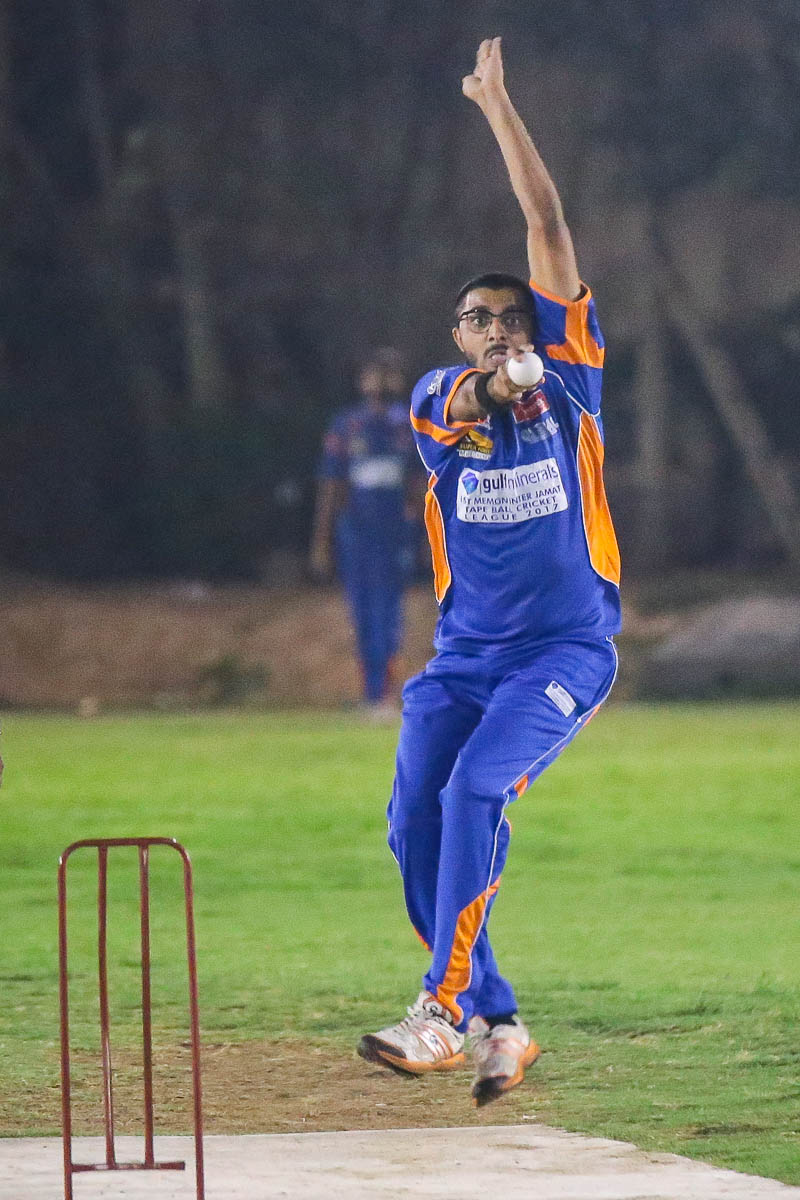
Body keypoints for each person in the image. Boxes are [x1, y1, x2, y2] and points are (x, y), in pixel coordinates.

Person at [357, 38, 621, 1107]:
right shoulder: (436, 401)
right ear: (455, 334)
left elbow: (546, 225)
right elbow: (467, 399)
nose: (500, 328)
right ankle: (501, 1021)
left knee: (476, 790)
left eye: (515, 316)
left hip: (562, 653)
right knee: (413, 828)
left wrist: (496, 107)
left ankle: (441, 1009)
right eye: (480, 318)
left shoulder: (573, 385)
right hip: (462, 662)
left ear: (541, 327)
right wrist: (493, 382)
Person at [310, 349, 416, 716]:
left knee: (389, 610)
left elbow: (420, 482)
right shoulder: (347, 425)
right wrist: (321, 540)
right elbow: (331, 484)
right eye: (373, 373)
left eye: (387, 374)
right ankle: (370, 692)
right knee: (362, 611)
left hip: (395, 532)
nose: (379, 382)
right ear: (361, 380)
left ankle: (385, 691)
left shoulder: (409, 424)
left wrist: (428, 535)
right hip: (356, 532)